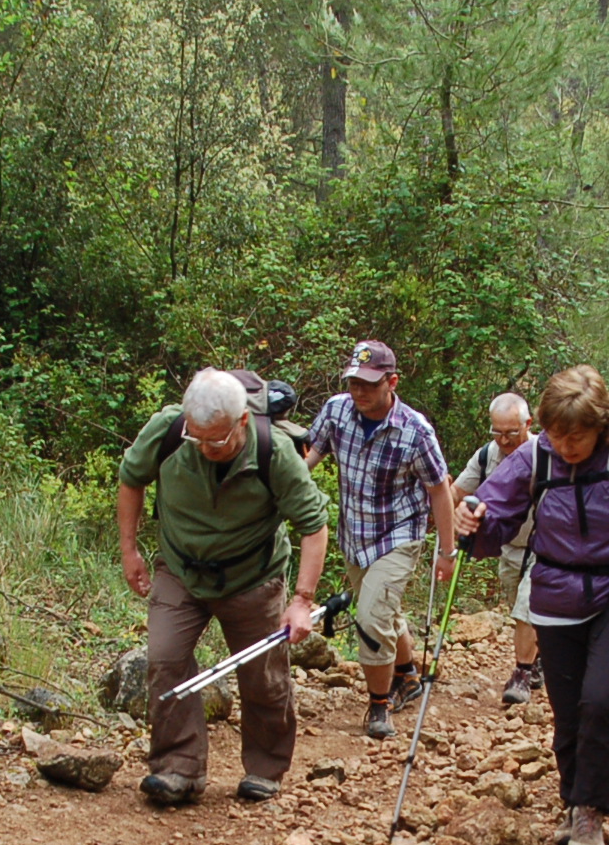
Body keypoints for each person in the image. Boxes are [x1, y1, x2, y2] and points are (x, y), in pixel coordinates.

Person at [454, 365, 609, 845]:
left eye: (576, 437)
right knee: (567, 710)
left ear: (601, 426)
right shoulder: (536, 454)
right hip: (555, 593)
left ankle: (589, 812)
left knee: (599, 699)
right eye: (556, 435)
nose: (565, 446)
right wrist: (472, 518)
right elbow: (494, 514)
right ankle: (572, 800)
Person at [118, 368, 329, 806]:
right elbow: (131, 478)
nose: (205, 448)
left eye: (216, 441)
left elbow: (314, 525)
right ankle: (178, 768)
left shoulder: (273, 452)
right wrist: (129, 550)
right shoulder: (169, 431)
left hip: (252, 577)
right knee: (165, 660)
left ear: (243, 422)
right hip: (180, 570)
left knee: (262, 677)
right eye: (196, 438)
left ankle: (265, 768)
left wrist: (301, 600)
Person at [305, 339, 456, 740]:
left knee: (371, 618)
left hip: (399, 535)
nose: (359, 391)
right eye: (354, 382)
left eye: (369, 384)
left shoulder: (415, 430)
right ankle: (407, 675)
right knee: (384, 611)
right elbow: (308, 459)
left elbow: (439, 489)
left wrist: (447, 551)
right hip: (355, 534)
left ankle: (379, 703)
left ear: (392, 382)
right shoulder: (336, 411)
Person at [453, 393, 542, 706]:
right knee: (520, 606)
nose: (504, 440)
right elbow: (457, 492)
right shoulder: (486, 456)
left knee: (527, 606)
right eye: (497, 432)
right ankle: (539, 658)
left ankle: (521, 674)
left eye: (511, 432)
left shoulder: (545, 452)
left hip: (545, 546)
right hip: (510, 547)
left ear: (528, 424)